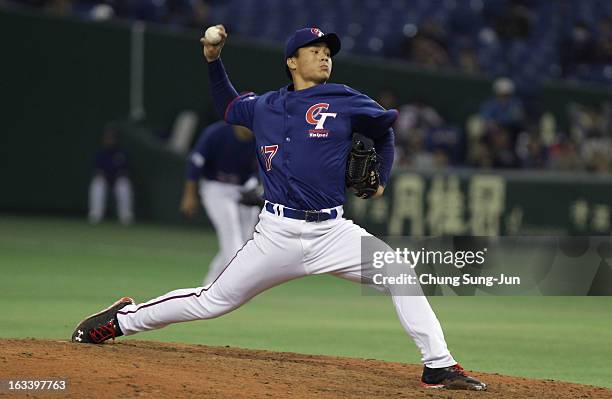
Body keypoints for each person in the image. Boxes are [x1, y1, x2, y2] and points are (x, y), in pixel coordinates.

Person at [71, 26, 486, 391]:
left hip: (333, 233)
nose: (325, 55)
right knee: (212, 301)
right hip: (277, 234)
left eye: (328, 50)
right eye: (314, 49)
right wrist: (213, 60)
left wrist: (382, 178)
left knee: (399, 273)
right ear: (292, 61)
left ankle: (438, 366)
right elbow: (227, 107)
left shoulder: (345, 99)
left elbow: (384, 131)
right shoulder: (265, 106)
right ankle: (122, 321)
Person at [179, 121, 260, 285]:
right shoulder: (216, 133)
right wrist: (189, 195)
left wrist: (256, 188)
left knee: (246, 242)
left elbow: (265, 168)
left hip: (243, 188)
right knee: (232, 239)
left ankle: (209, 286)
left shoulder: (261, 136)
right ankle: (234, 287)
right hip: (215, 187)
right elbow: (194, 164)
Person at [87, 126, 134, 225]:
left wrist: (119, 176)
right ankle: (95, 215)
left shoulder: (121, 152)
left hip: (117, 180)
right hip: (104, 179)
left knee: (123, 183)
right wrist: (101, 175)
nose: (109, 140)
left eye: (111, 138)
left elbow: (125, 171)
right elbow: (96, 170)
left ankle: (125, 216)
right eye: (107, 138)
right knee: (97, 182)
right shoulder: (100, 153)